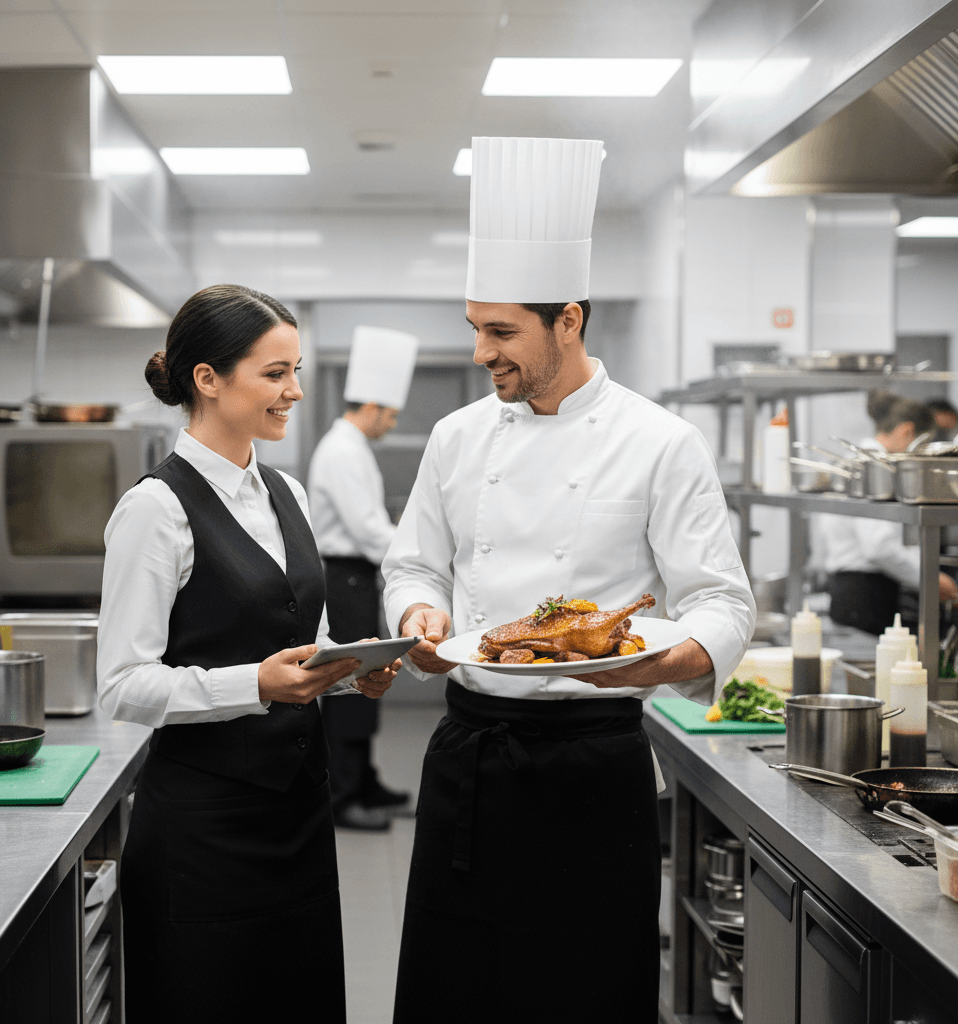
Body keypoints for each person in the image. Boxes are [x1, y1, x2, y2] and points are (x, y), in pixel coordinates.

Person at [383, 137, 755, 1024]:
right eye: (475, 326)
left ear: (570, 321)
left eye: (501, 330)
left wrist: (655, 667)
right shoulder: (459, 438)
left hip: (597, 762)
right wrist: (422, 614)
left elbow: (722, 602)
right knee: (455, 989)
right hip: (470, 755)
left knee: (586, 990)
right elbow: (413, 562)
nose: (481, 351)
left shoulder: (660, 442)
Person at [96, 285, 400, 1024]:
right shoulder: (155, 509)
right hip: (205, 834)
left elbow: (300, 637)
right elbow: (123, 685)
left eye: (294, 371)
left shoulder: (285, 491)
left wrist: (349, 665)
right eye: (275, 373)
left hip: (297, 817)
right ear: (208, 379)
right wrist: (254, 686)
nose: (295, 391)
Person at [308, 325, 419, 830]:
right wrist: (416, 561)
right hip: (343, 578)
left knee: (366, 678)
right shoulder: (343, 450)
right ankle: (344, 796)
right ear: (371, 407)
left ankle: (365, 780)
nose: (392, 424)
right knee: (352, 682)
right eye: (391, 415)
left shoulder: (351, 447)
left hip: (354, 577)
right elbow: (369, 530)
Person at [821, 390, 958, 635]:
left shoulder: (863, 460)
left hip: (854, 590)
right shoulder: (876, 467)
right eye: (923, 446)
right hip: (864, 594)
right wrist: (929, 578)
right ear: (907, 431)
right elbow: (878, 546)